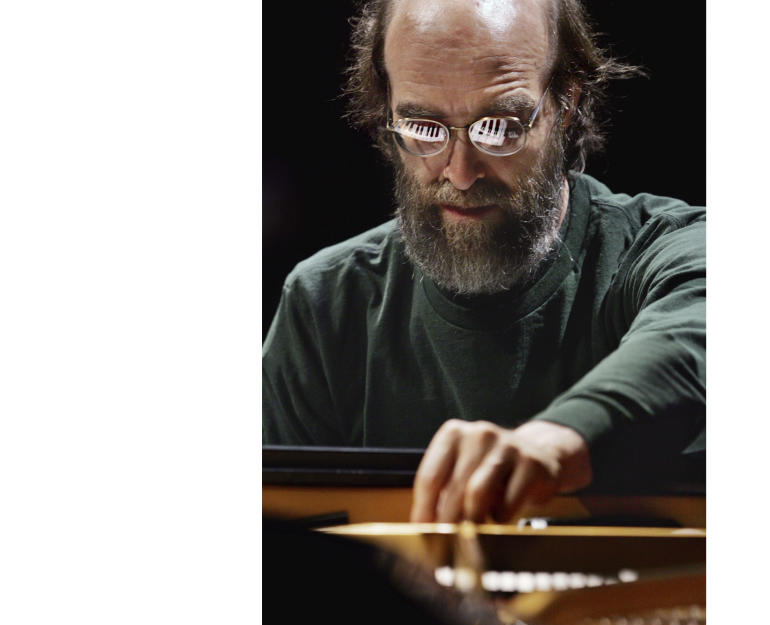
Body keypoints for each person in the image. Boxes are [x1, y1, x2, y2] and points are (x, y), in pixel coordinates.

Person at [262, 0, 705, 524]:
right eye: (424, 127)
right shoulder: (324, 307)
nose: (461, 171)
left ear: (565, 105)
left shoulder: (662, 249)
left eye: (500, 126)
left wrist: (558, 438)